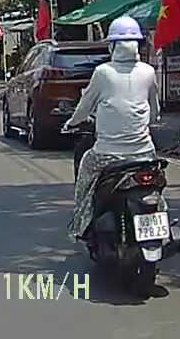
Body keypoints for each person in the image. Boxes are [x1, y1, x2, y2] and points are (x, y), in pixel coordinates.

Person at [63, 15, 162, 242]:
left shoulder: (103, 72)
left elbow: (84, 107)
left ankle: (80, 225)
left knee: (85, 174)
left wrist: (71, 123)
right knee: (157, 187)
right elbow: (154, 111)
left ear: (113, 45)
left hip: (107, 155)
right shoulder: (148, 72)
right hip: (145, 154)